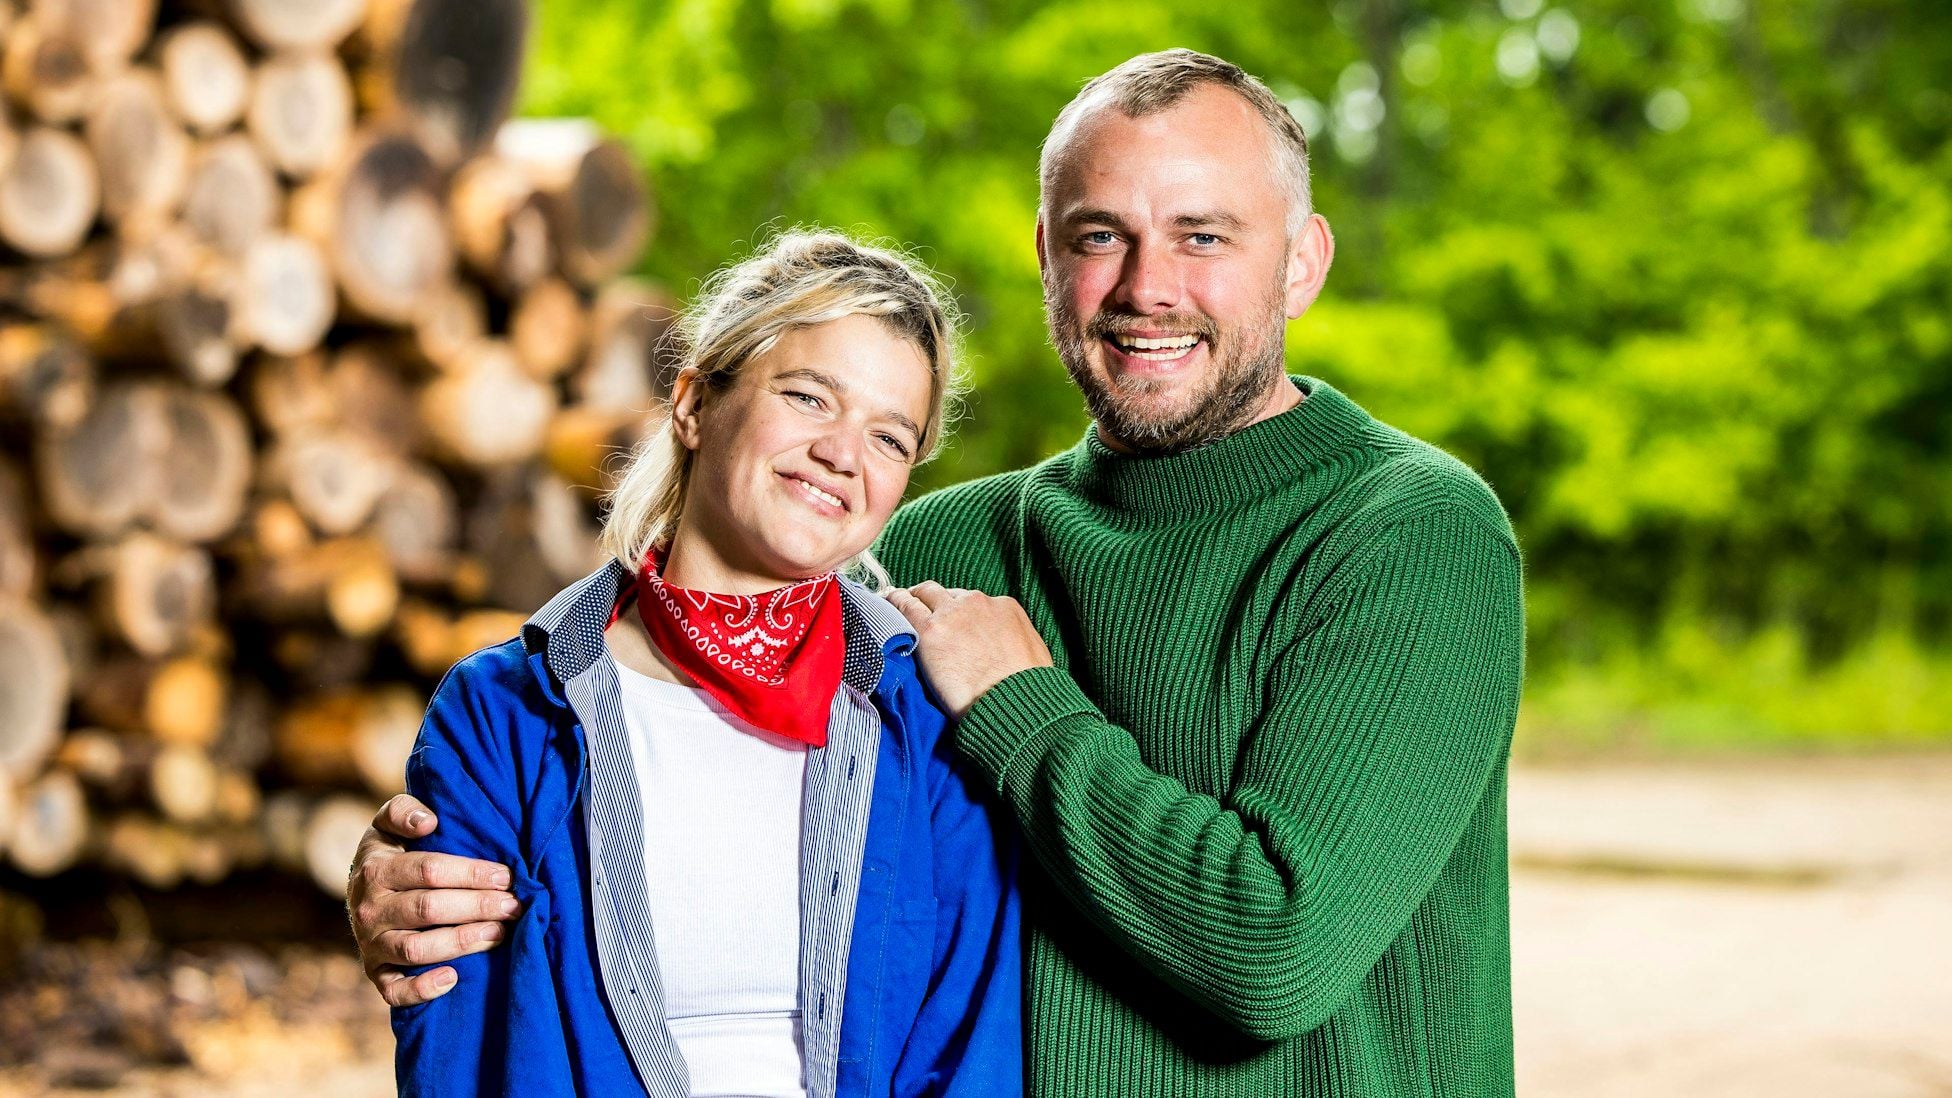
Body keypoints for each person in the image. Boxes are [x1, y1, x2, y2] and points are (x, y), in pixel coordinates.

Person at [352, 49, 1525, 1097]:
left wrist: (1024, 709)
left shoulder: (1410, 532)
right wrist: (410, 883)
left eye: (1203, 236)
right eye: (1098, 234)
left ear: (1300, 265)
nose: (1145, 286)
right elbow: (685, 765)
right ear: (1047, 258)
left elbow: (1270, 951)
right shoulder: (936, 553)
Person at [382, 230, 1021, 1098]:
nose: (843, 453)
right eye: (808, 397)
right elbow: (459, 1045)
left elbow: (972, 1047)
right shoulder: (502, 714)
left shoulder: (927, 715)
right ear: (691, 405)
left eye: (890, 439)